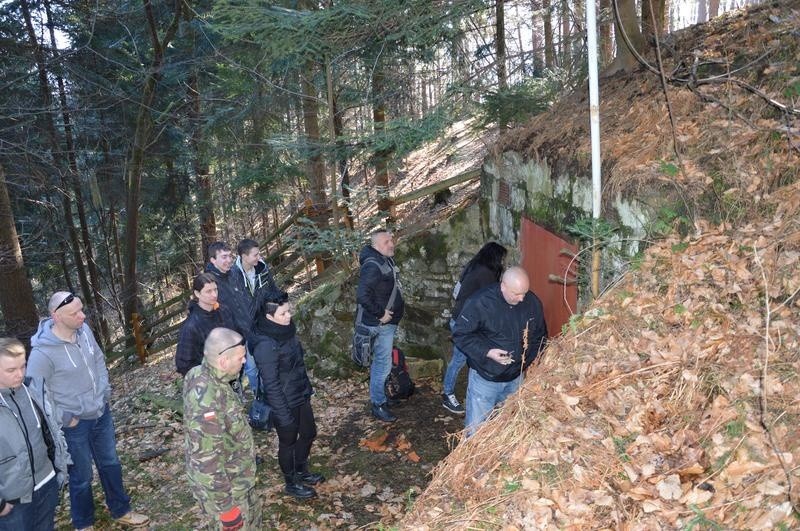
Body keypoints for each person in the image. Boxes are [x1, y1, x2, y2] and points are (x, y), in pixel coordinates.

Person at [28, 292, 149, 530]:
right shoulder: (42, 353)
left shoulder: (85, 332)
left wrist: (103, 394)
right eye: (74, 313)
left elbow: (99, 361)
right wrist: (65, 418)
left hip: (100, 414)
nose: (82, 315)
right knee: (81, 477)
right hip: (73, 425)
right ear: (56, 316)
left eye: (82, 309)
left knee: (111, 464)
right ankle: (84, 524)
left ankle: (121, 510)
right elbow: (36, 395)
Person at [452, 267, 547, 437]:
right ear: (503, 286)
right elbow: (461, 334)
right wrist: (487, 352)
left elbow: (540, 336)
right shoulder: (480, 302)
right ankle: (475, 462)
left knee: (506, 429)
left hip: (516, 379)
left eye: (525, 292)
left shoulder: (532, 302)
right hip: (485, 379)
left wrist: (524, 363)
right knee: (476, 431)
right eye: (516, 293)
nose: (522, 298)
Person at [183, 327, 261, 530]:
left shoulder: (210, 376)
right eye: (241, 358)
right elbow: (205, 460)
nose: (244, 361)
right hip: (227, 492)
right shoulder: (206, 400)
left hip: (239, 480)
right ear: (223, 362)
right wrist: (227, 509)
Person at [249, 291, 324, 499]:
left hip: (300, 393)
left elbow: (298, 364)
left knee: (309, 433)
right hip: (283, 401)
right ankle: (291, 483)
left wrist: (306, 389)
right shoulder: (265, 344)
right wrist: (282, 414)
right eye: (283, 313)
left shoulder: (286, 330)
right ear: (269, 317)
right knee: (288, 442)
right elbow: (271, 384)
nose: (289, 316)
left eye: (289, 311)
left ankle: (302, 471)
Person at [0, 337, 70, 531]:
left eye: (23, 366)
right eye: (11, 370)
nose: (20, 374)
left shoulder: (34, 389)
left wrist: (59, 468)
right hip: (13, 501)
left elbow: (52, 429)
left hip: (47, 483)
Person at [442, 242, 507, 415]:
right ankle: (447, 394)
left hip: (462, 319)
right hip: (465, 324)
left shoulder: (474, 266)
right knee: (459, 360)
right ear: (495, 257)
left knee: (470, 359)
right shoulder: (485, 273)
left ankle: (470, 392)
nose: (503, 262)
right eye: (502, 258)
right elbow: (491, 300)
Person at [356, 229, 405, 423]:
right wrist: (381, 314)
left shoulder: (384, 259)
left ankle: (381, 397)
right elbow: (362, 295)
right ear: (376, 246)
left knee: (382, 364)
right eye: (386, 242)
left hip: (386, 324)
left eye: (391, 240)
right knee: (382, 365)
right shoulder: (373, 266)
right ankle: (378, 404)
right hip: (378, 324)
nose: (391, 244)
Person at [230, 238, 278, 392]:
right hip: (244, 330)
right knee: (251, 367)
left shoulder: (263, 269)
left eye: (259, 254)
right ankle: (259, 396)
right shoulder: (232, 276)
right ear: (244, 256)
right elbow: (232, 306)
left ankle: (271, 395)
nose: (259, 257)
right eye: (255, 255)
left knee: (267, 361)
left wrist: (272, 315)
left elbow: (272, 292)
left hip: (264, 325)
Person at [175, 273, 237, 376]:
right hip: (210, 381)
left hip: (232, 373)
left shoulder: (224, 311)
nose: (214, 294)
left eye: (215, 290)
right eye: (209, 291)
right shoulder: (191, 326)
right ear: (197, 293)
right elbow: (183, 364)